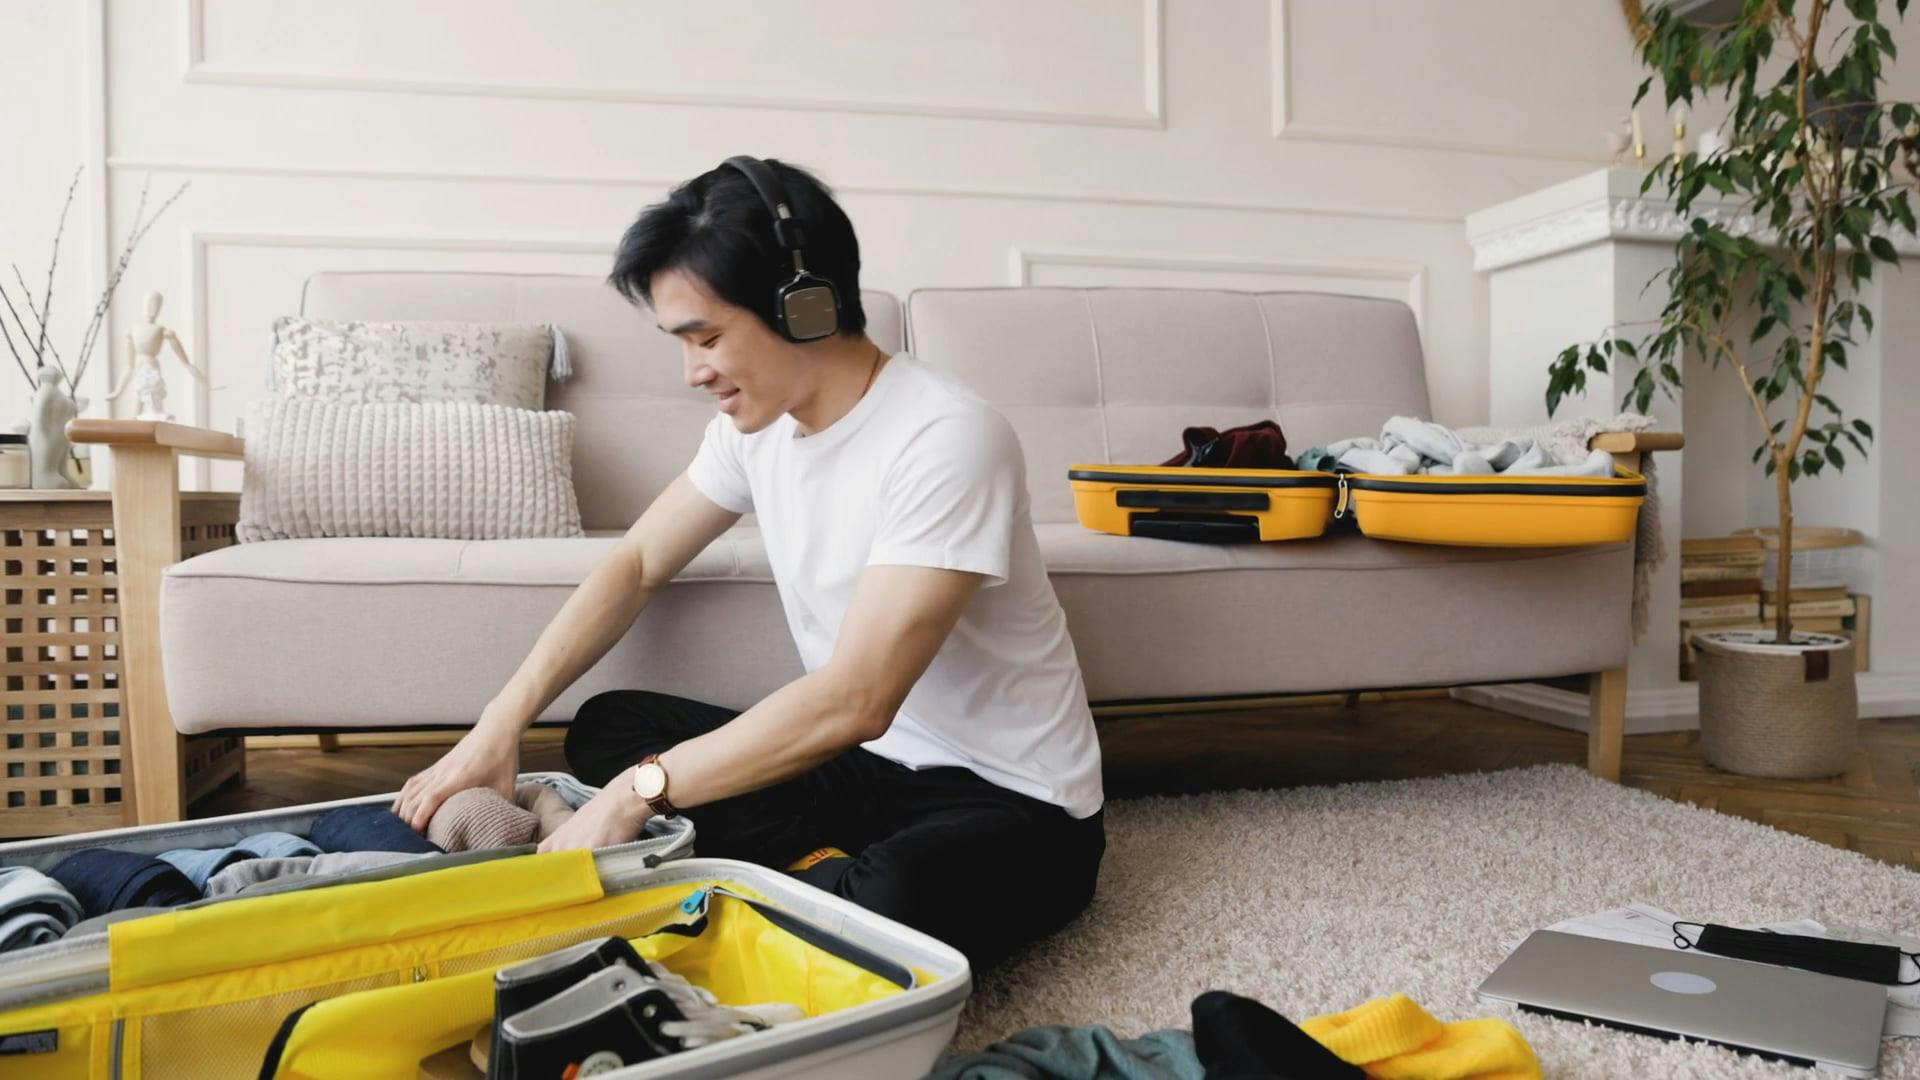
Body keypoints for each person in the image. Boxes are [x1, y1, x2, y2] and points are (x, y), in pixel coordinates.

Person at [394, 156, 1104, 972]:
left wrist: (638, 795)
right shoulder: (751, 427)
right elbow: (635, 563)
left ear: (806, 306)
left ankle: (742, 876)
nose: (693, 371)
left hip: (1013, 802)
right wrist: (500, 724)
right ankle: (794, 881)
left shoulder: (944, 437)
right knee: (612, 727)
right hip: (865, 774)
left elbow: (857, 699)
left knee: (897, 894)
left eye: (708, 337)